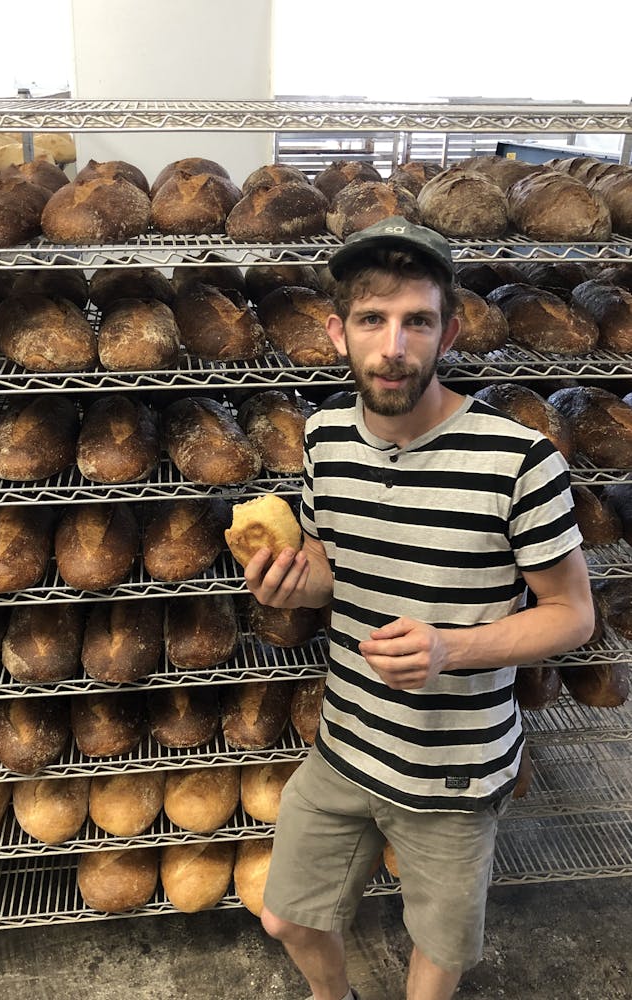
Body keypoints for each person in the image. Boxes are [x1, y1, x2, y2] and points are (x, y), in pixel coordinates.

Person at [241, 217, 595, 1000]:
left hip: (455, 773)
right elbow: (332, 564)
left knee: (435, 955)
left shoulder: (519, 458)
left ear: (450, 331)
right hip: (347, 743)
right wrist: (295, 584)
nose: (393, 346)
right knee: (288, 918)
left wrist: (450, 649)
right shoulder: (325, 436)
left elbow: (573, 615)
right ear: (338, 332)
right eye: (372, 320)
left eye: (417, 321)